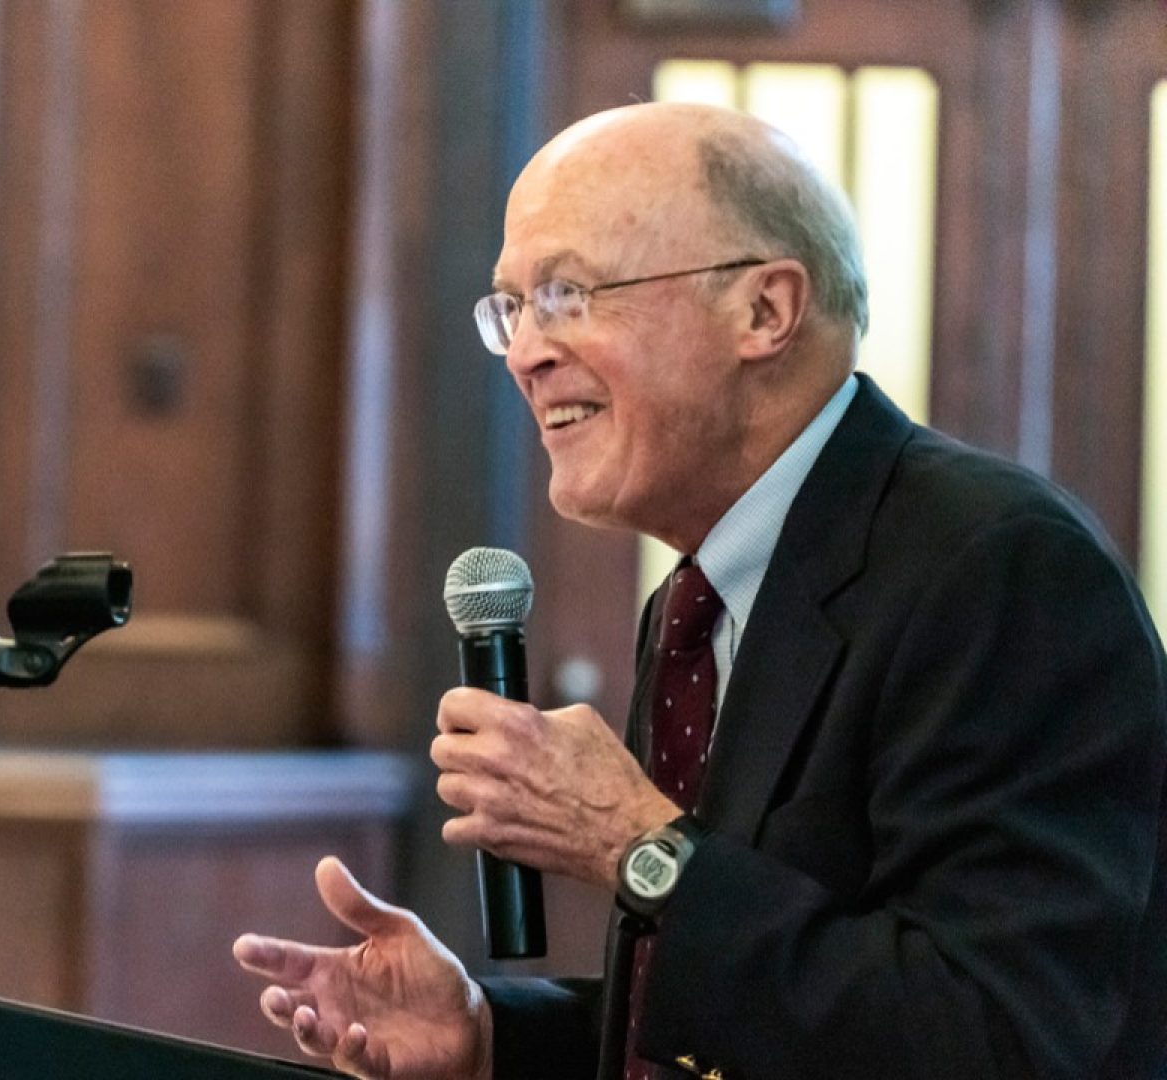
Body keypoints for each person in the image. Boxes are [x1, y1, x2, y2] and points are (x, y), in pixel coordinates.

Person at [234, 102, 1167, 1080]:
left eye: (567, 293)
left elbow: (993, 1036)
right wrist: (493, 1039)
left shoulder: (1000, 568)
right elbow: (743, 1016)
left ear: (764, 310)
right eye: (512, 307)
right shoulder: (698, 601)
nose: (524, 353)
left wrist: (636, 843)